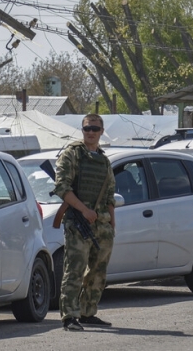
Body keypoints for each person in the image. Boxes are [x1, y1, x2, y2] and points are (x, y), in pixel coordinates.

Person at [52, 113, 116, 331]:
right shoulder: (72, 155)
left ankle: (88, 312)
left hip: (102, 224)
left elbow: (109, 196)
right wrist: (84, 210)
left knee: (98, 271)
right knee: (75, 270)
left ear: (101, 132)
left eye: (95, 129)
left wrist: (111, 225)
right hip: (79, 222)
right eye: (87, 128)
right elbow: (62, 188)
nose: (90, 132)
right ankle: (69, 315)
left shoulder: (104, 159)